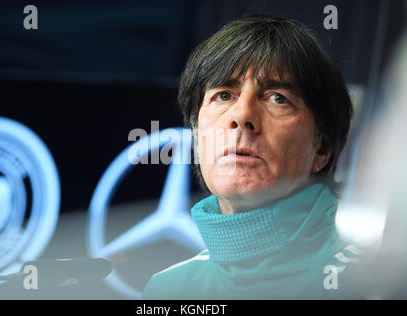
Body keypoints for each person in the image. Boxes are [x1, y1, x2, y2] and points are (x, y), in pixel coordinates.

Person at [142, 14, 360, 299]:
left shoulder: (368, 285)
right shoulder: (168, 290)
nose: (242, 115)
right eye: (223, 95)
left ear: (322, 148)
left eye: (277, 98)